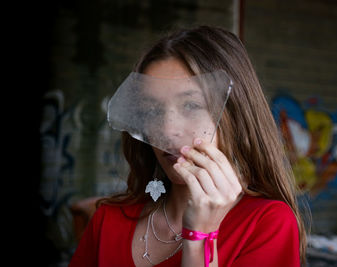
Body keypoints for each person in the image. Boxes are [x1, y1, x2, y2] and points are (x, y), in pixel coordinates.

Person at [69, 25, 309, 267]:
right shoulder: (108, 219)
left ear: (235, 115)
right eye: (152, 110)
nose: (167, 130)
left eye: (191, 106)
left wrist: (200, 237)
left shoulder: (267, 223)